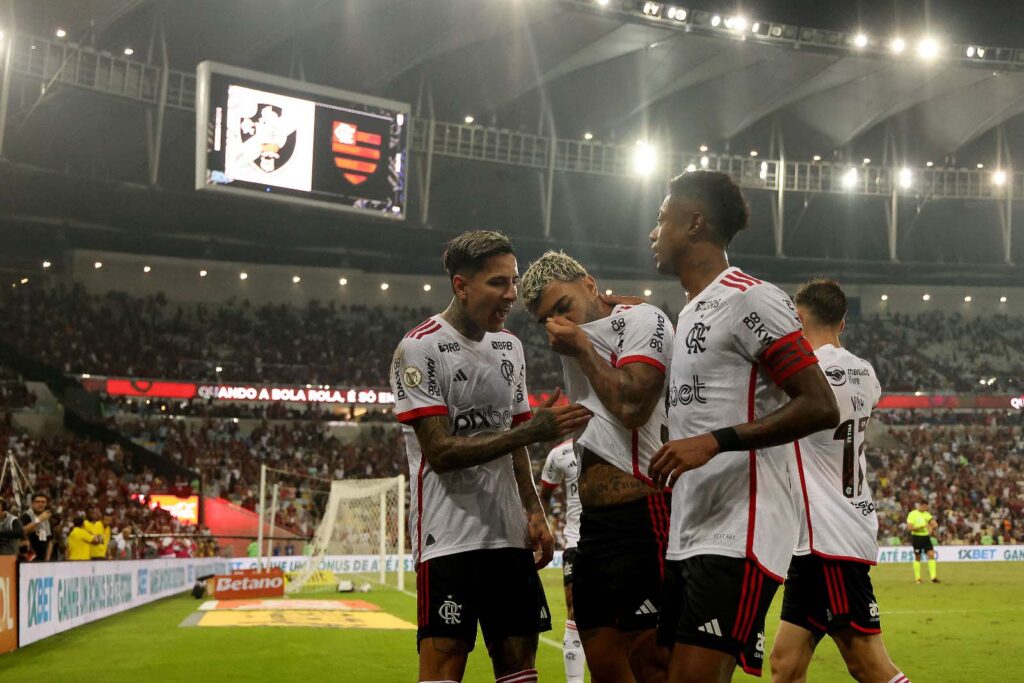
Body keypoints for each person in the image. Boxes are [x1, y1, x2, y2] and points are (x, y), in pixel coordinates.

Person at [647, 170, 840, 682]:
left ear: (694, 223)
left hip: (741, 528)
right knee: (658, 668)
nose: (653, 232)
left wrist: (715, 442)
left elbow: (820, 404)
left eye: (662, 219)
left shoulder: (749, 298)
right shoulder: (689, 313)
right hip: (691, 529)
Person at [389, 230, 592, 683]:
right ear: (461, 286)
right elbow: (439, 451)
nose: (512, 295)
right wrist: (534, 430)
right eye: (498, 283)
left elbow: (516, 437)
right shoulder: (418, 348)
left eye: (514, 281)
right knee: (442, 671)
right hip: (448, 540)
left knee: (520, 671)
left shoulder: (509, 347)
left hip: (509, 538)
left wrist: (534, 514)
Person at [522, 250, 673, 682]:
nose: (556, 325)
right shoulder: (574, 335)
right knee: (606, 668)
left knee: (653, 664)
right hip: (595, 528)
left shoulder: (644, 321)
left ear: (589, 284)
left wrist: (583, 344)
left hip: (646, 512)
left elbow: (632, 407)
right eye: (545, 319)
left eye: (562, 307)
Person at [769, 279, 910, 683]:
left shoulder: (799, 377)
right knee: (785, 664)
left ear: (796, 318)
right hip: (827, 534)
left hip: (829, 536)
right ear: (843, 323)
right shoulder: (866, 374)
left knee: (868, 665)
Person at [538, 440, 585, 683]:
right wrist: (540, 525)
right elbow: (544, 495)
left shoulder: (620, 438)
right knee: (574, 610)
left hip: (614, 539)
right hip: (576, 542)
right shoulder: (560, 453)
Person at [906, 501, 939, 584]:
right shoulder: (912, 514)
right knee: (918, 557)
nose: (925, 508)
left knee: (931, 555)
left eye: (926, 507)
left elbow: (935, 524)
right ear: (919, 505)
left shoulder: (927, 514)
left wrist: (930, 527)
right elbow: (910, 528)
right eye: (923, 506)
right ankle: (918, 578)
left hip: (926, 537)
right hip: (916, 537)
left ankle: (933, 577)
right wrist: (922, 527)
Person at [21, 493, 53, 561]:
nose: (40, 504)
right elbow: (22, 532)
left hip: (42, 559)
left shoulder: (47, 518)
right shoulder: (26, 516)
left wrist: (47, 559)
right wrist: (39, 520)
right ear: (32, 503)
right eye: (37, 502)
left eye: (43, 502)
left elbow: (50, 540)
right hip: (28, 557)